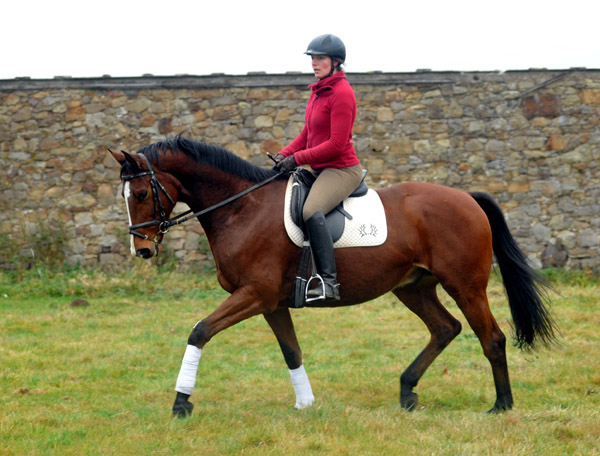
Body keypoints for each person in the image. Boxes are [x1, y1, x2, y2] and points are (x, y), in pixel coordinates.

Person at [274, 34, 363, 301]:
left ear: (336, 62)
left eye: (320, 58)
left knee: (311, 210)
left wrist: (298, 159)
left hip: (341, 169)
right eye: (313, 58)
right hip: (319, 169)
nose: (315, 63)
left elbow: (336, 144)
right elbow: (307, 135)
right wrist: (284, 154)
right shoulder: (319, 91)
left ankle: (328, 282)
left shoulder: (342, 94)